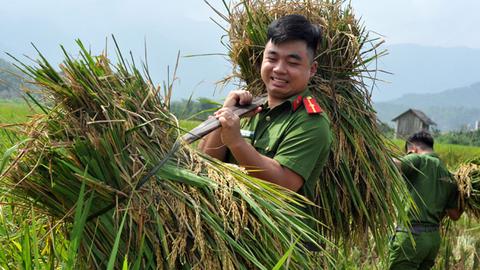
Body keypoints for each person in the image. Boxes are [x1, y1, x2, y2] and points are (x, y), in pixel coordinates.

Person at [198, 14, 331, 218]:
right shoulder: (245, 108)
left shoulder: (311, 123)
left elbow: (281, 187)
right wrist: (226, 114)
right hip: (224, 228)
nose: (279, 69)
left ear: (311, 69)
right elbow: (204, 164)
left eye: (292, 62)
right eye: (272, 58)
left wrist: (237, 143)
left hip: (275, 243)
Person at [389, 131, 463, 269]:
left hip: (412, 238)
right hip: (432, 240)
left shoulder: (418, 159)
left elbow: (393, 164)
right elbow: (455, 215)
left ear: (413, 149)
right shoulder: (449, 175)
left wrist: (372, 153)